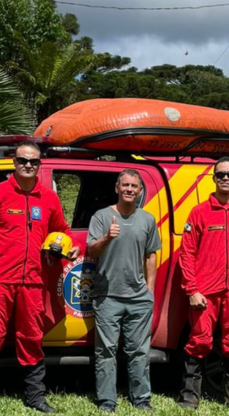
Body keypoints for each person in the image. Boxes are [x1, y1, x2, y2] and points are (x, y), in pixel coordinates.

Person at [0, 141, 80, 415]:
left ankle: (36, 396)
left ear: (39, 164)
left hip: (34, 280)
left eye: (33, 161)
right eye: (23, 160)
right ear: (14, 162)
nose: (28, 165)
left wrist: (70, 245)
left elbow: (62, 230)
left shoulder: (49, 198)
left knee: (31, 337)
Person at [177, 158, 229, 411]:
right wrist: (192, 289)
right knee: (199, 341)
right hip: (205, 292)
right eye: (221, 174)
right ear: (214, 178)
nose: (225, 178)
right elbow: (187, 253)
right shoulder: (199, 212)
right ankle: (189, 397)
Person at [86, 169, 162, 413]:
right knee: (106, 351)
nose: (129, 189)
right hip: (107, 297)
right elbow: (92, 251)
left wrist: (149, 291)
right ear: (117, 188)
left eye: (134, 186)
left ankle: (141, 399)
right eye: (125, 185)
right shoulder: (101, 216)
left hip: (139, 298)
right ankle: (107, 401)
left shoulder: (148, 220)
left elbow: (151, 256)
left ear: (140, 191)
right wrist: (107, 237)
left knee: (139, 351)